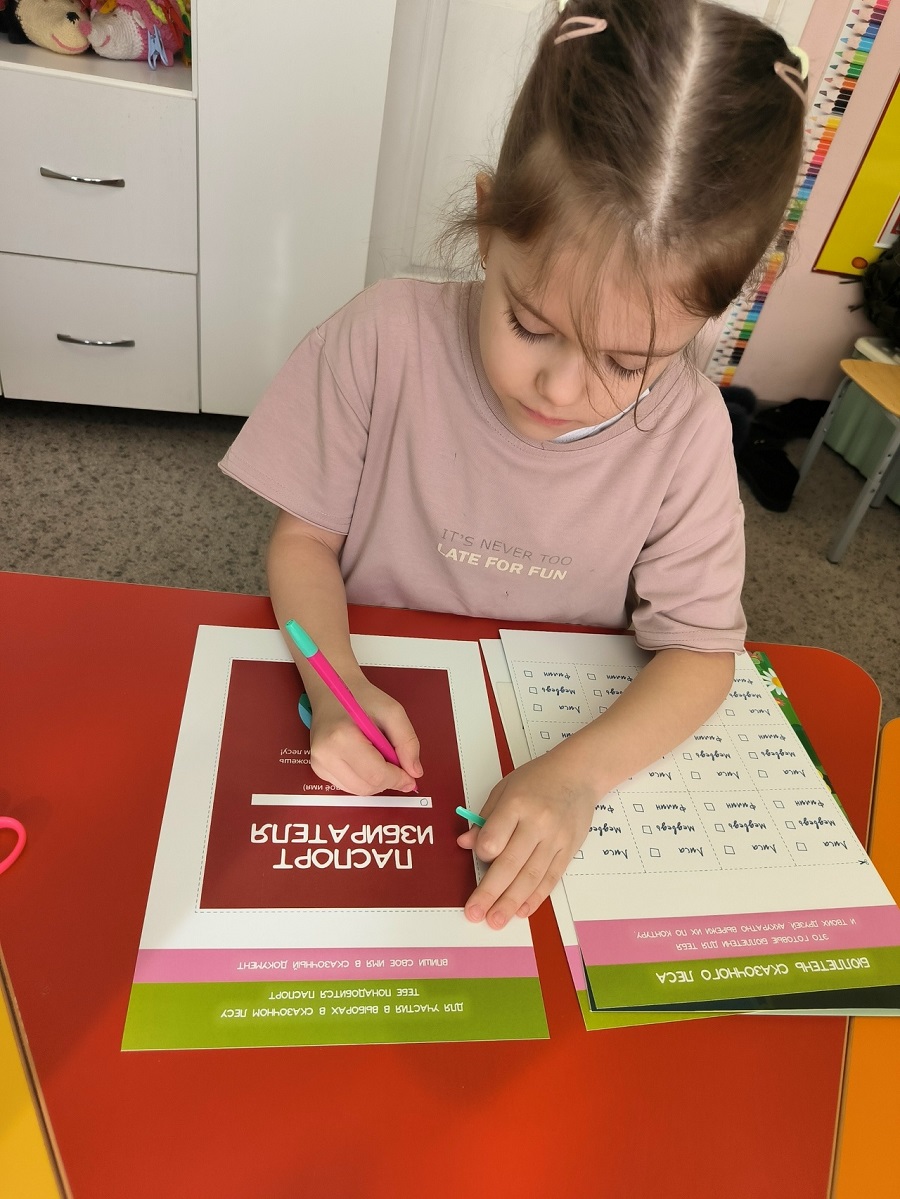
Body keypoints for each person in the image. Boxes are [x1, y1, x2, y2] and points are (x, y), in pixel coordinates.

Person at [219, 0, 808, 932]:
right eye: (530, 325)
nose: (562, 388)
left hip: (559, 729)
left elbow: (701, 653)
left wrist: (580, 776)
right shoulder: (382, 337)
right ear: (489, 223)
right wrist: (333, 684)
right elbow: (303, 543)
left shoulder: (691, 430)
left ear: (711, 315)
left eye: (630, 362)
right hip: (374, 672)